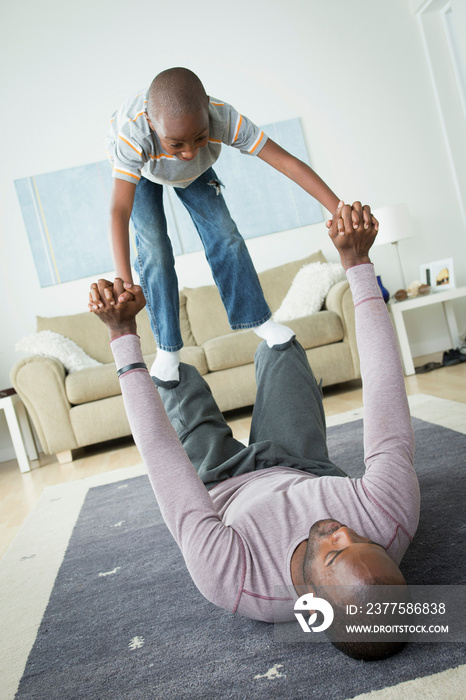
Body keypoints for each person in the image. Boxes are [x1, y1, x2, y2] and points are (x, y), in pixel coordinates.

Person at [89, 202, 420, 660]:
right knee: (282, 348)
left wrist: (123, 335)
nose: (346, 531)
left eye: (335, 553)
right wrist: (358, 263)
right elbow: (385, 390)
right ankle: (270, 343)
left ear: (312, 609)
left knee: (175, 383)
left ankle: (169, 368)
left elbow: (162, 460)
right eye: (366, 541)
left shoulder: (233, 580)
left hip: (220, 489)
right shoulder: (391, 517)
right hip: (302, 466)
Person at [106, 67, 360, 386]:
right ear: (152, 124)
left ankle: (259, 319)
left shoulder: (223, 119)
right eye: (177, 144)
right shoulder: (133, 135)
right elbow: (119, 209)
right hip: (144, 169)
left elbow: (285, 162)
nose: (188, 152)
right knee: (154, 249)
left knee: (225, 235)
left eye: (199, 137)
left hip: (197, 173)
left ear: (207, 112)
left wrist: (339, 208)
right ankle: (167, 350)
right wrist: (124, 283)